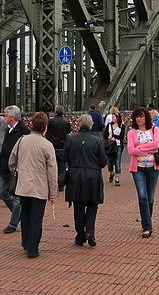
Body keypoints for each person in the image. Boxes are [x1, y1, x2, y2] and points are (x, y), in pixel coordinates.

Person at [9, 111, 58, 259]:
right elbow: (52, 171)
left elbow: (11, 161)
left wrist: (18, 172)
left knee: (25, 214)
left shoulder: (21, 140)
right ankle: (33, 248)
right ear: (45, 127)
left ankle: (25, 242)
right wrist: (53, 193)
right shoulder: (47, 145)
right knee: (37, 217)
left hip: (23, 185)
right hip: (39, 187)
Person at [63, 114, 106, 247]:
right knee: (93, 204)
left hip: (75, 175)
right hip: (93, 175)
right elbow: (103, 161)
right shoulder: (97, 141)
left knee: (78, 205)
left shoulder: (70, 140)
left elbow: (65, 158)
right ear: (91, 125)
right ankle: (90, 232)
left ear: (79, 125)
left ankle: (80, 234)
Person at [128, 106, 159, 238]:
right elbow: (131, 150)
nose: (139, 119)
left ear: (146, 117)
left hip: (153, 167)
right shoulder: (132, 132)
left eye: (141, 116)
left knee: (150, 197)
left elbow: (157, 145)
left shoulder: (155, 129)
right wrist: (148, 149)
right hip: (138, 168)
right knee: (142, 196)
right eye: (137, 117)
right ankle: (147, 227)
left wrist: (140, 148)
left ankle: (146, 221)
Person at [0, 105, 30, 234]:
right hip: (4, 166)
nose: (4, 117)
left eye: (6, 115)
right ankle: (18, 214)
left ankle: (13, 223)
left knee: (16, 198)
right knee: (2, 192)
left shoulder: (23, 131)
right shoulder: (8, 129)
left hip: (15, 169)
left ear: (12, 117)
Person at [45, 105, 72, 191]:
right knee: (62, 166)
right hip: (62, 146)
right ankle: (61, 184)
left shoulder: (51, 121)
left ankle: (51, 184)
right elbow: (68, 131)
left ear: (55, 112)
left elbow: (46, 130)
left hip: (52, 146)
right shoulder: (66, 122)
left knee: (51, 166)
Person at [104, 111, 126, 186]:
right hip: (110, 145)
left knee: (117, 161)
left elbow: (121, 137)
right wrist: (108, 137)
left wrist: (114, 137)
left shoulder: (122, 126)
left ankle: (117, 178)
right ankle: (111, 172)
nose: (112, 118)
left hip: (118, 145)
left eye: (114, 117)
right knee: (109, 161)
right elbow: (105, 134)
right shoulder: (109, 125)